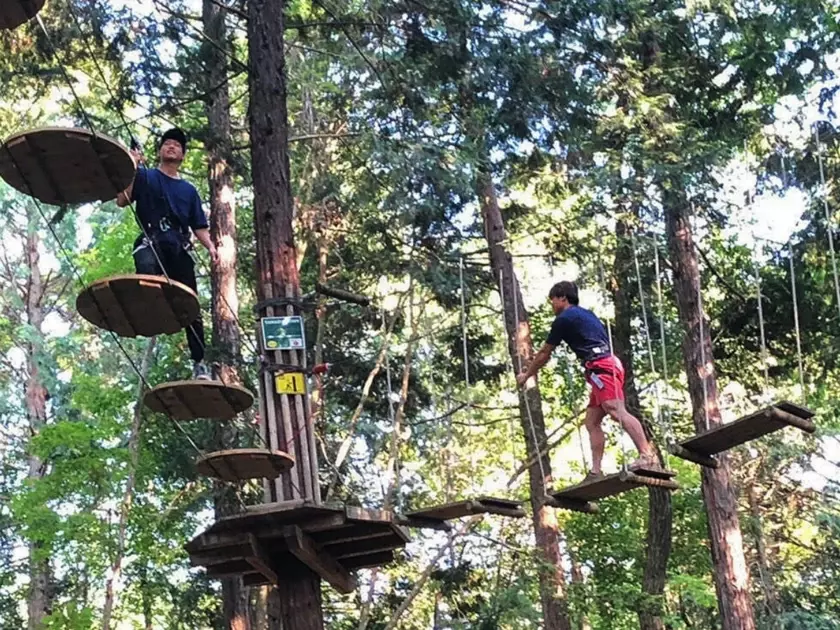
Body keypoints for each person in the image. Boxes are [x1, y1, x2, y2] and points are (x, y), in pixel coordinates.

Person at [516, 281, 658, 480]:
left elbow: (544, 353)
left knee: (615, 409)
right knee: (591, 421)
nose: (552, 306)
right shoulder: (586, 314)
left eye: (553, 301)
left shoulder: (564, 318)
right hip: (603, 367)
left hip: (602, 367)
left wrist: (526, 375)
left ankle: (648, 456)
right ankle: (595, 472)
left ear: (563, 298)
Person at [116, 128, 218, 381]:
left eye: (176, 145)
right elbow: (122, 199)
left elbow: (199, 227)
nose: (171, 147)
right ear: (160, 151)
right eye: (167, 144)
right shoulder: (145, 176)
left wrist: (212, 247)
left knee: (192, 306)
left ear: (182, 154)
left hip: (178, 248)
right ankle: (150, 315)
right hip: (151, 241)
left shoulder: (189, 191)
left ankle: (199, 363)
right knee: (147, 268)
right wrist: (132, 164)